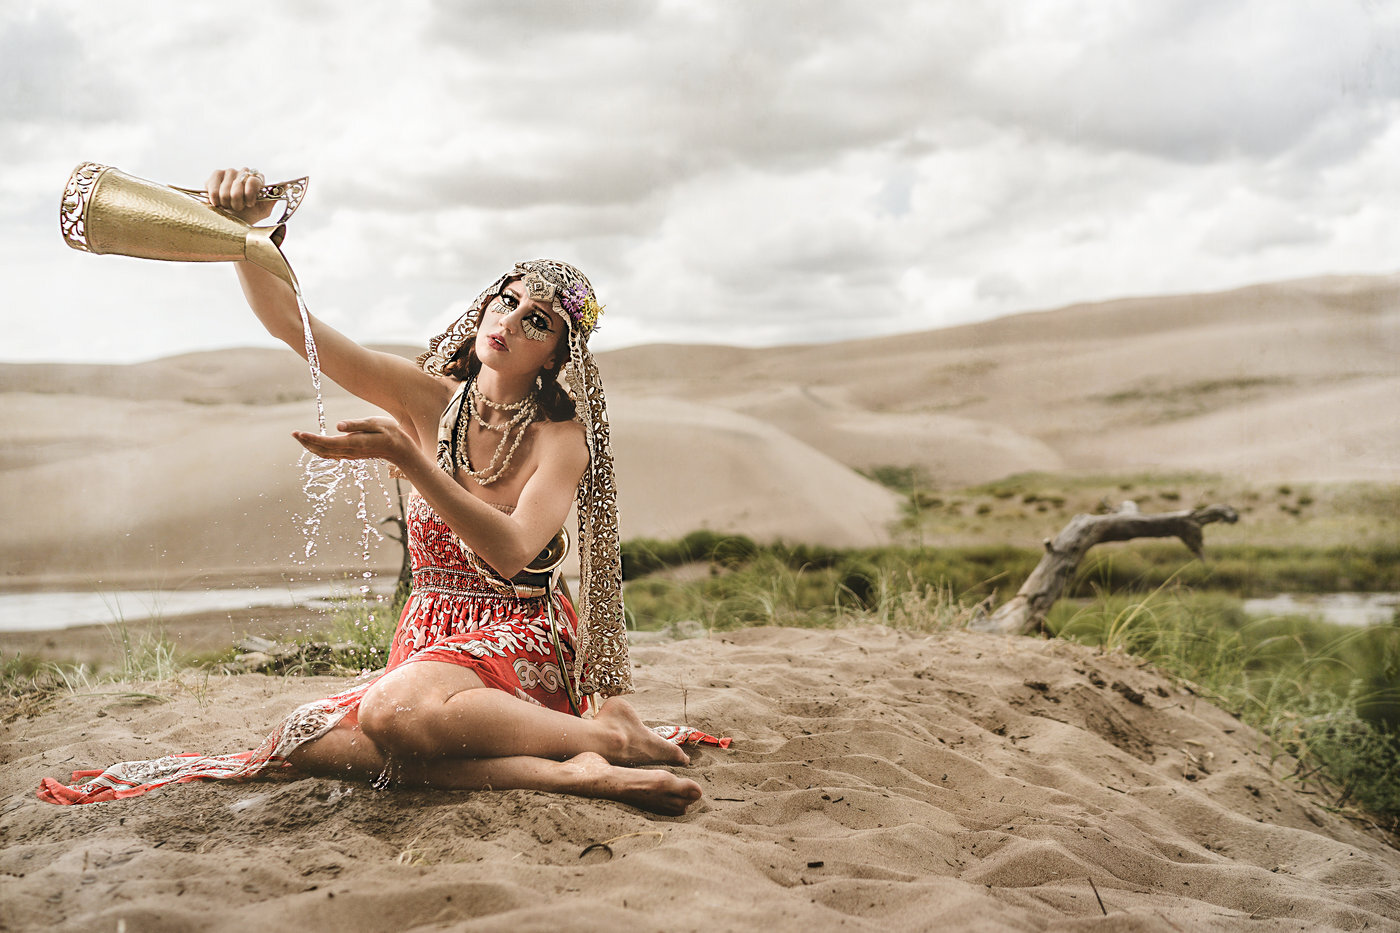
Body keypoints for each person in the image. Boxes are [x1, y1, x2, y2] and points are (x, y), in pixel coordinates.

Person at [38, 167, 719, 816]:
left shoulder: (558, 438)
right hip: (430, 635)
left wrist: (410, 460)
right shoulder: (424, 398)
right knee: (304, 736)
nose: (510, 321)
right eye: (507, 300)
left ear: (556, 354)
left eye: (538, 320)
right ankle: (574, 767)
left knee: (393, 716)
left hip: (523, 632)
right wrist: (245, 236)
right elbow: (292, 327)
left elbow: (512, 552)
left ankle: (602, 737)